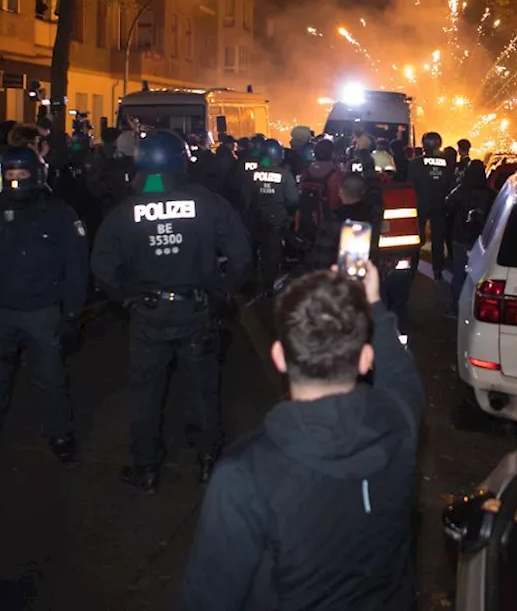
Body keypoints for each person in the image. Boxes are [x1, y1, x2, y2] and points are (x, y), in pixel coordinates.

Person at [178, 264, 423, 610]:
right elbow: (402, 376)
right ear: (366, 359)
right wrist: (374, 302)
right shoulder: (400, 424)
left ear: (279, 356)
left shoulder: (243, 475)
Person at [91, 131, 251, 491]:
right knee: (203, 389)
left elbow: (102, 266)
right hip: (197, 311)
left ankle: (147, 469)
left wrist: (127, 298)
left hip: (148, 315)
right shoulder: (209, 203)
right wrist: (221, 294)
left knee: (146, 393)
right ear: (183, 160)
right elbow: (241, 257)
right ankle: (209, 462)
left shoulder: (125, 211)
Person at [0, 146, 88, 467]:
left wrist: (71, 315)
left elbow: (76, 269)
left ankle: (60, 434)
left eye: (22, 174)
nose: (15, 180)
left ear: (36, 175)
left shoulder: (59, 214)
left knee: (51, 379)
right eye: (9, 174)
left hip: (42, 312)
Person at [444, 160, 495, 317]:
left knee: (459, 273)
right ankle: (475, 308)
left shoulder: (460, 190)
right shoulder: (489, 194)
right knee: (481, 275)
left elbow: (447, 205)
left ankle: (457, 307)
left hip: (460, 237)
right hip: (481, 241)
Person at [248, 138, 297, 296]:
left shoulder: (253, 173)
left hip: (255, 220)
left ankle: (252, 281)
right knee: (272, 254)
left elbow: (246, 197)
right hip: (275, 221)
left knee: (254, 251)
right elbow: (293, 200)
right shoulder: (285, 175)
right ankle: (268, 288)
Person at [408, 131, 453, 280]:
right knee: (438, 239)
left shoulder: (415, 163)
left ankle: (413, 266)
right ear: (439, 144)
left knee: (416, 238)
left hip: (419, 204)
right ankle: (438, 269)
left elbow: (410, 185)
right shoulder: (447, 163)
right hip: (439, 205)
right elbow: (450, 184)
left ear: (423, 145)